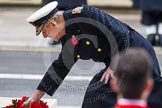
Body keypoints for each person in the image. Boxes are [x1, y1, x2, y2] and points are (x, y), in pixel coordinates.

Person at [23, 1, 162, 108]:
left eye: (45, 32)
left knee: (148, 95)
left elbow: (122, 34)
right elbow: (61, 66)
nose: (46, 37)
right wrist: (35, 98)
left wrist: (113, 66)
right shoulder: (68, 34)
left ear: (53, 24)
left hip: (136, 54)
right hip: (118, 63)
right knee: (95, 95)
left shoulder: (86, 14)